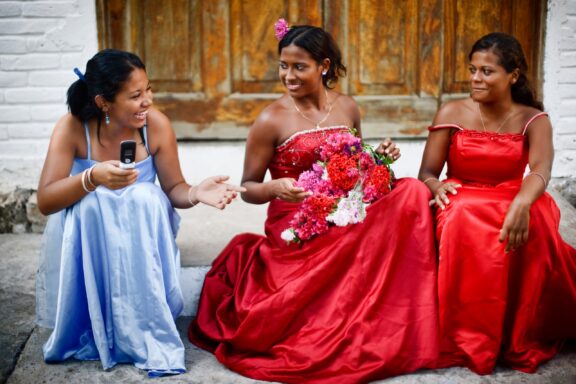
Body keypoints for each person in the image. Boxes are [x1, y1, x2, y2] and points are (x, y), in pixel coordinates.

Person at [188, 21, 439, 383]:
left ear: (323, 66)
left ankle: (402, 318)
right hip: (298, 220)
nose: (288, 75)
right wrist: (275, 189)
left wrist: (381, 158)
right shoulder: (270, 120)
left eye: (298, 67)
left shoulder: (348, 107)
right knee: (366, 225)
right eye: (283, 66)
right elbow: (249, 187)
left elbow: (360, 168)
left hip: (346, 208)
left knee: (413, 190)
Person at [35, 49, 244, 376]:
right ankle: (95, 324)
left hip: (140, 234)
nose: (148, 100)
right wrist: (91, 177)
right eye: (136, 95)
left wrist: (196, 192)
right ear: (104, 102)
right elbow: (46, 200)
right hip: (93, 238)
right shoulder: (73, 127)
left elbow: (174, 188)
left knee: (145, 196)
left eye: (148, 89)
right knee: (90, 202)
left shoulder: (155, 125)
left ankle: (144, 326)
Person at [419, 32, 576, 375]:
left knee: (534, 217)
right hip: (462, 194)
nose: (475, 78)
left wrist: (521, 202)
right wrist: (435, 186)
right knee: (461, 214)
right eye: (472, 70)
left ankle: (515, 331)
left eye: (487, 72)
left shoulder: (533, 118)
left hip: (512, 195)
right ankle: (467, 337)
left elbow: (541, 170)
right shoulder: (452, 110)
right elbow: (427, 172)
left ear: (513, 75)